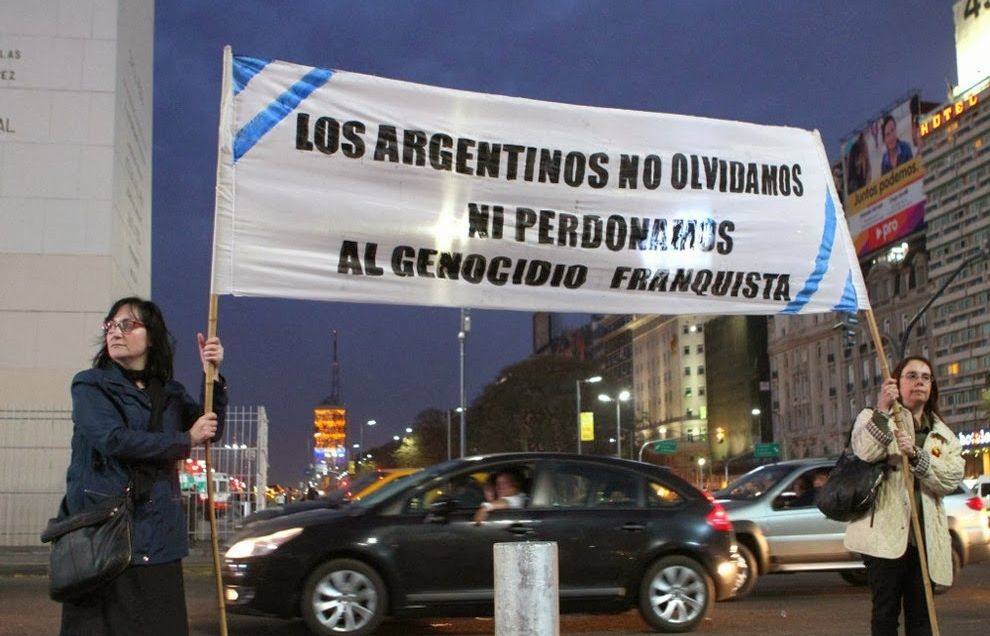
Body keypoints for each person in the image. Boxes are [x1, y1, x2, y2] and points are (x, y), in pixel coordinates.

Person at [56, 297, 227, 635]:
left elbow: (210, 430)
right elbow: (114, 440)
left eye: (127, 325)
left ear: (152, 337)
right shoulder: (90, 385)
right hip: (103, 534)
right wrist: (184, 440)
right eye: (111, 325)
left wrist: (214, 379)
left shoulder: (171, 393)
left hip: (158, 534)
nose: (115, 332)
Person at [844, 356, 963, 636]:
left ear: (932, 387)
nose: (919, 381)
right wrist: (883, 409)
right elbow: (865, 452)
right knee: (885, 615)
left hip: (925, 539)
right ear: (896, 383)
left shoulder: (943, 435)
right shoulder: (873, 416)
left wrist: (917, 456)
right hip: (885, 537)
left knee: (922, 617)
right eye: (911, 375)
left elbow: (949, 478)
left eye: (925, 377)